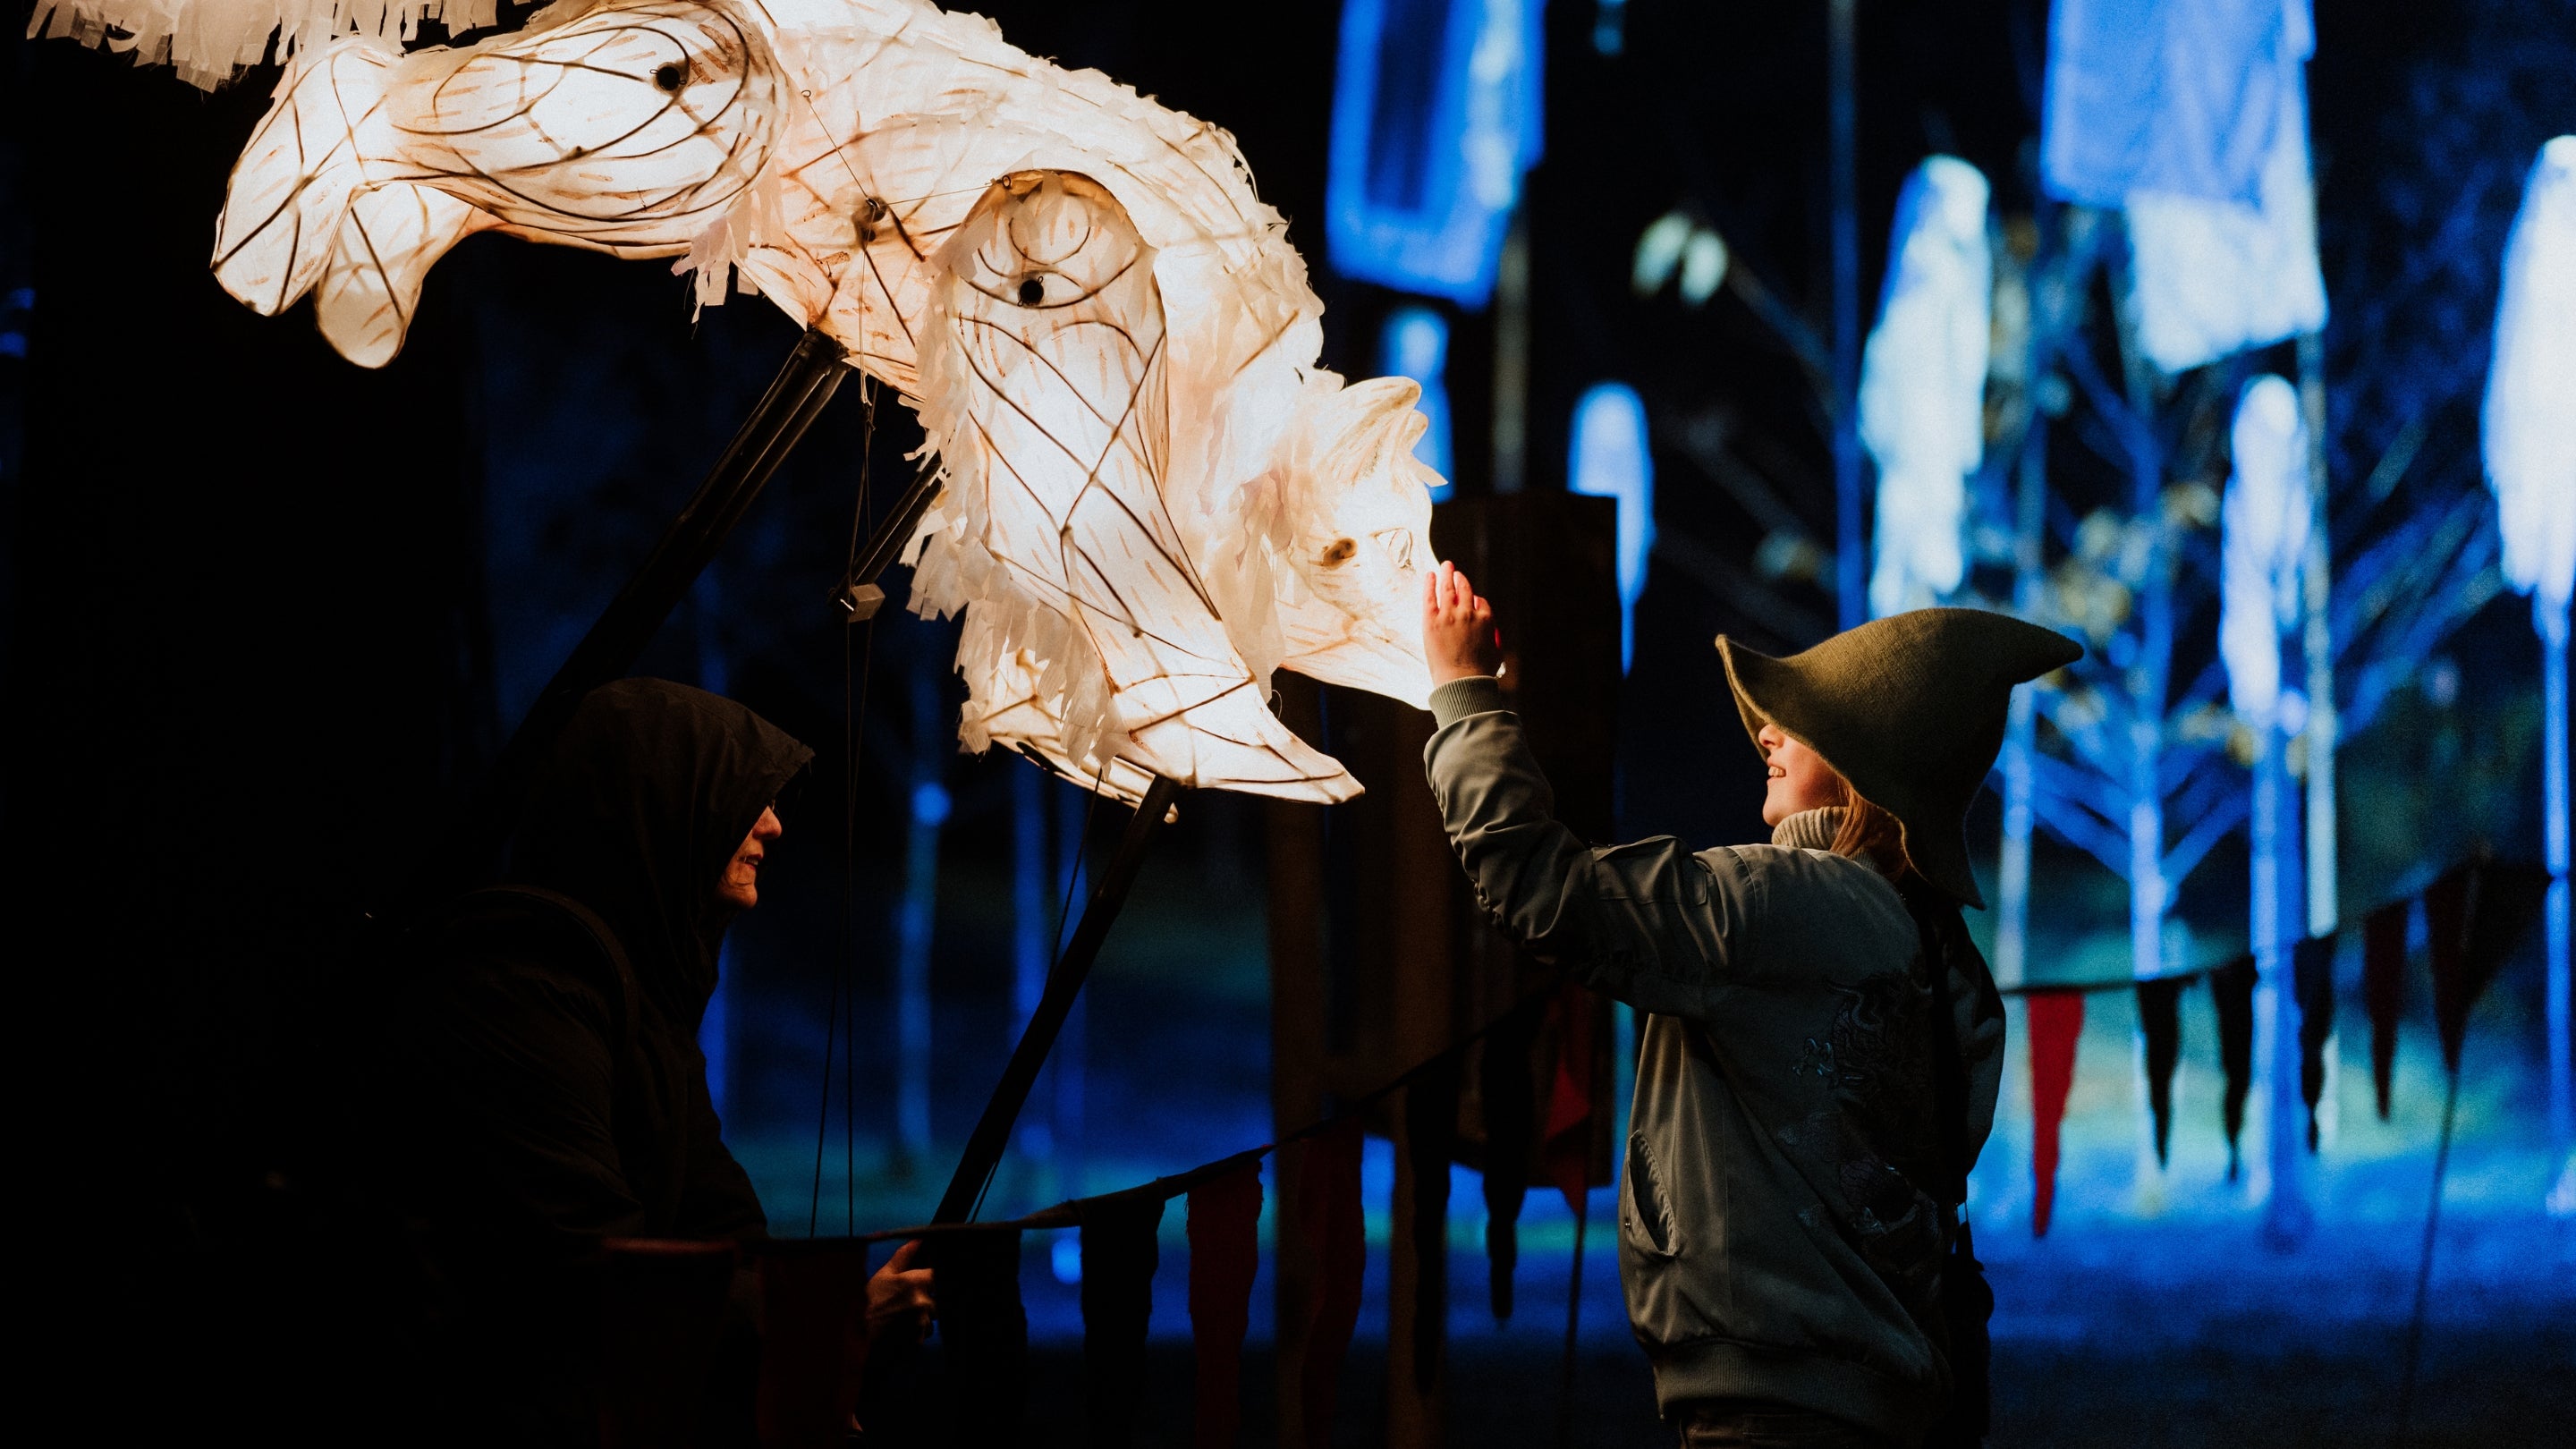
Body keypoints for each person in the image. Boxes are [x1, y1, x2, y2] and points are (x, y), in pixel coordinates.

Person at [1418, 563, 2080, 1449]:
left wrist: (1464, 695)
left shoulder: (1789, 908)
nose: (1765, 732)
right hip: (1872, 1410)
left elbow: (1546, 892)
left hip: (1777, 1416)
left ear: (1863, 764)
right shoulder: (1921, 946)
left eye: (1801, 722)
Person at [384, 678, 934, 1445]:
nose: (774, 826)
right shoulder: (519, 991)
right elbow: (593, 1273)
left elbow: (724, 1232)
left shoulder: (643, 1011)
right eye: (744, 797)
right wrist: (832, 1322)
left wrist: (831, 1331)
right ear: (661, 802)